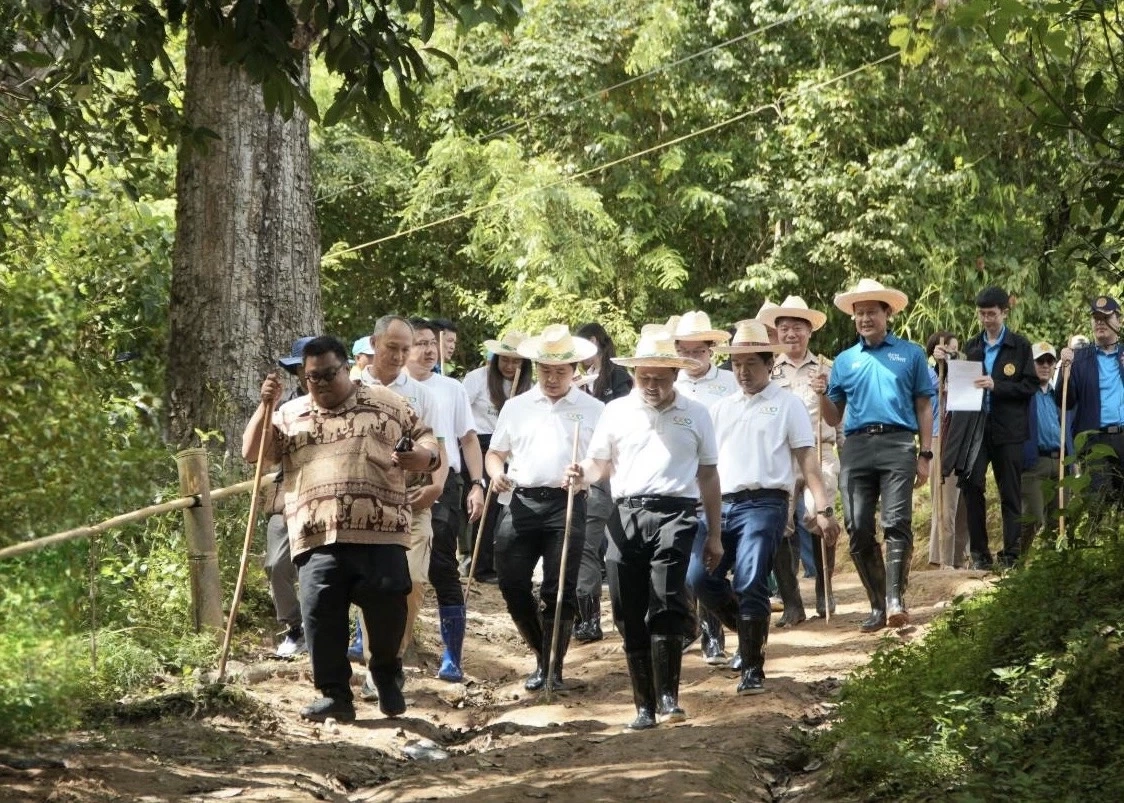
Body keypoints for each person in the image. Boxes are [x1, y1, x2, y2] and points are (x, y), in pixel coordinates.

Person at [242, 336, 440, 722]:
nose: (320, 384)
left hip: (380, 533)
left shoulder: (386, 401)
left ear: (346, 367)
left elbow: (426, 440)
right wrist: (265, 406)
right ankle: (335, 695)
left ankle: (385, 674)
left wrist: (423, 457)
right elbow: (254, 453)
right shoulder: (289, 412)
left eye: (328, 374)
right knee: (319, 615)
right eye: (311, 377)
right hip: (316, 536)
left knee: (387, 609)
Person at [566, 326, 723, 728]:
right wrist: (582, 472)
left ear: (675, 375)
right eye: (644, 377)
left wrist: (716, 534)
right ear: (634, 375)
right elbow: (600, 463)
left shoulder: (697, 413)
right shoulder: (616, 411)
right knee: (627, 608)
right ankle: (643, 706)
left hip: (677, 513)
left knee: (668, 599)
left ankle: (669, 697)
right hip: (626, 514)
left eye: (660, 377)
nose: (652, 385)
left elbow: (708, 474)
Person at [688, 320, 839, 694]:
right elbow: (706, 466)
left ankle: (752, 667)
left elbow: (807, 459)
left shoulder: (787, 405)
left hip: (766, 502)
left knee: (751, 577)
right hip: (720, 505)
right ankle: (748, 628)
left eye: (751, 363)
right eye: (737, 364)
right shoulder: (720, 409)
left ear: (768, 364)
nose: (742, 372)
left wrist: (823, 506)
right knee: (698, 578)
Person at [485, 325, 604, 691]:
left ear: (574, 371)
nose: (552, 379)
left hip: (566, 503)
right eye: (546, 371)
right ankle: (542, 651)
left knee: (559, 587)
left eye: (560, 372)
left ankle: (552, 667)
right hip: (520, 502)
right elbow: (495, 453)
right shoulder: (516, 407)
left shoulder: (593, 409)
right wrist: (495, 475)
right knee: (511, 583)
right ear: (536, 368)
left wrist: (584, 471)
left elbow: (602, 461)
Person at [812, 279, 934, 632]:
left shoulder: (910, 354)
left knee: (896, 521)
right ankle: (878, 605)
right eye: (859, 313)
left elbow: (924, 405)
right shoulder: (845, 361)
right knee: (858, 527)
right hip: (856, 446)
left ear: (887, 314)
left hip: (898, 444)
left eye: (871, 312)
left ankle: (896, 600)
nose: (865, 318)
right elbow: (834, 416)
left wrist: (925, 454)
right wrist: (821, 394)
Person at [357, 315, 452, 686]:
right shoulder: (350, 388)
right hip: (363, 509)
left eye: (404, 349)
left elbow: (439, 448)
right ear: (374, 343)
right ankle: (374, 666)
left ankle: (391, 659)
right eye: (391, 348)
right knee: (372, 586)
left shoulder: (424, 395)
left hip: (411, 503)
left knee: (411, 581)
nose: (398, 356)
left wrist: (436, 487)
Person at [405, 318, 486, 680]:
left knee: (441, 564)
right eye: (419, 343)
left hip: (445, 481)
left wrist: (477, 483)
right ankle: (370, 639)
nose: (428, 350)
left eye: (431, 343)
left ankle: (452, 655)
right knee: (384, 561)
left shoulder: (451, 388)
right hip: (393, 480)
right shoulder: (387, 387)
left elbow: (467, 438)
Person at [935, 287, 1037, 569]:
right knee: (971, 485)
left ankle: (1012, 553)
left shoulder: (1020, 346)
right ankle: (980, 554)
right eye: (982, 314)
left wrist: (997, 386)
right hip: (976, 429)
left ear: (1004, 312)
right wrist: (942, 363)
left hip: (1009, 430)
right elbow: (956, 382)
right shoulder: (973, 346)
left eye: (991, 314)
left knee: (1010, 491)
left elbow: (1030, 386)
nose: (986, 319)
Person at [757, 296, 840, 624]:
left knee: (821, 517)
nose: (790, 334)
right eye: (784, 328)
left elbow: (839, 418)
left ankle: (825, 590)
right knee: (781, 526)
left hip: (821, 453)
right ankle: (792, 601)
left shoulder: (827, 369)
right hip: (779, 457)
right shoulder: (767, 371)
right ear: (776, 333)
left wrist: (841, 453)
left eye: (797, 328)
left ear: (809, 331)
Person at [671, 311, 736, 666]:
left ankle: (715, 634)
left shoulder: (729, 383)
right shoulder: (669, 383)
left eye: (699, 351)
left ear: (712, 350)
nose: (692, 358)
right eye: (685, 350)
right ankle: (687, 626)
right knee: (681, 559)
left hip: (719, 477)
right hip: (680, 478)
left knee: (710, 559)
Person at [572, 322, 634, 642]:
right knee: (588, 542)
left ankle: (624, 615)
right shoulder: (571, 381)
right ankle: (589, 616)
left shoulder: (619, 376)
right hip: (586, 470)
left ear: (596, 343)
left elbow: (621, 419)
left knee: (617, 547)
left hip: (616, 471)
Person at [461, 331, 533, 583]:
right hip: (479, 445)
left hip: (510, 448)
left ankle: (496, 562)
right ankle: (478, 566)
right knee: (486, 507)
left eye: (516, 361)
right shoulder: (476, 379)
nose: (510, 366)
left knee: (505, 508)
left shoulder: (529, 387)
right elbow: (461, 413)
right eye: (505, 360)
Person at [265, 336, 313, 658]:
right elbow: (264, 454)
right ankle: (295, 627)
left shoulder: (347, 403)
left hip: (332, 496)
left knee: (318, 567)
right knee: (275, 563)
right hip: (289, 492)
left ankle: (319, 628)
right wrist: (267, 407)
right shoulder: (286, 408)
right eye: (301, 369)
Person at [1057, 295, 1124, 502]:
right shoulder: (1079, 358)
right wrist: (1064, 370)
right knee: (1097, 505)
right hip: (1094, 441)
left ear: (1119, 320)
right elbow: (1064, 401)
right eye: (1095, 318)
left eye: (1105, 317)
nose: (1099, 323)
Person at [924, 331, 970, 569]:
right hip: (939, 438)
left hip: (961, 438)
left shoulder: (960, 374)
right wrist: (937, 364)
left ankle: (959, 556)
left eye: (956, 350)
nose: (953, 354)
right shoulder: (929, 373)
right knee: (944, 502)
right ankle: (941, 557)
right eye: (949, 349)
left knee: (961, 502)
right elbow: (932, 387)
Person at [1020, 341, 1064, 556]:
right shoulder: (1024, 393)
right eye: (1040, 361)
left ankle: (1050, 567)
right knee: (1033, 517)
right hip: (1034, 462)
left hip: (1059, 461)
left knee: (1060, 519)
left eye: (1050, 361)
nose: (1045, 365)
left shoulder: (1059, 395)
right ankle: (1015, 560)